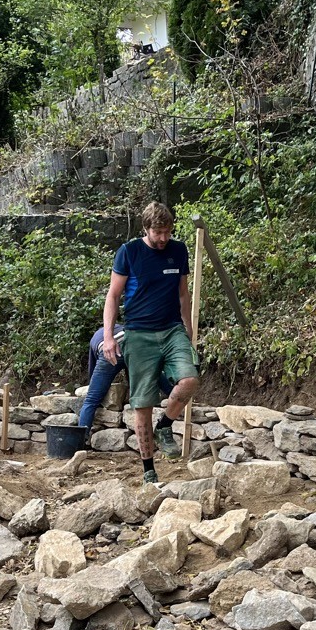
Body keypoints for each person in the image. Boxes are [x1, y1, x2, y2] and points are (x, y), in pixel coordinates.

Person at [100, 201, 200, 484]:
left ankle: (165, 425)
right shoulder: (129, 252)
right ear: (146, 229)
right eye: (158, 233)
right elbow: (113, 295)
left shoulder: (178, 250)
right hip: (139, 333)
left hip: (171, 329)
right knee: (142, 403)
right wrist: (109, 336)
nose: (164, 238)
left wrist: (188, 325)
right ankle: (148, 470)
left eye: (168, 232)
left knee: (190, 379)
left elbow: (183, 292)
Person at [76, 325, 174, 434]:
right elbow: (131, 368)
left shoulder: (95, 338)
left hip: (109, 350)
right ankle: (175, 395)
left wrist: (94, 388)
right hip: (133, 346)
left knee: (91, 400)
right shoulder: (120, 327)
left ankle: (81, 440)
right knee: (154, 372)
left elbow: (93, 368)